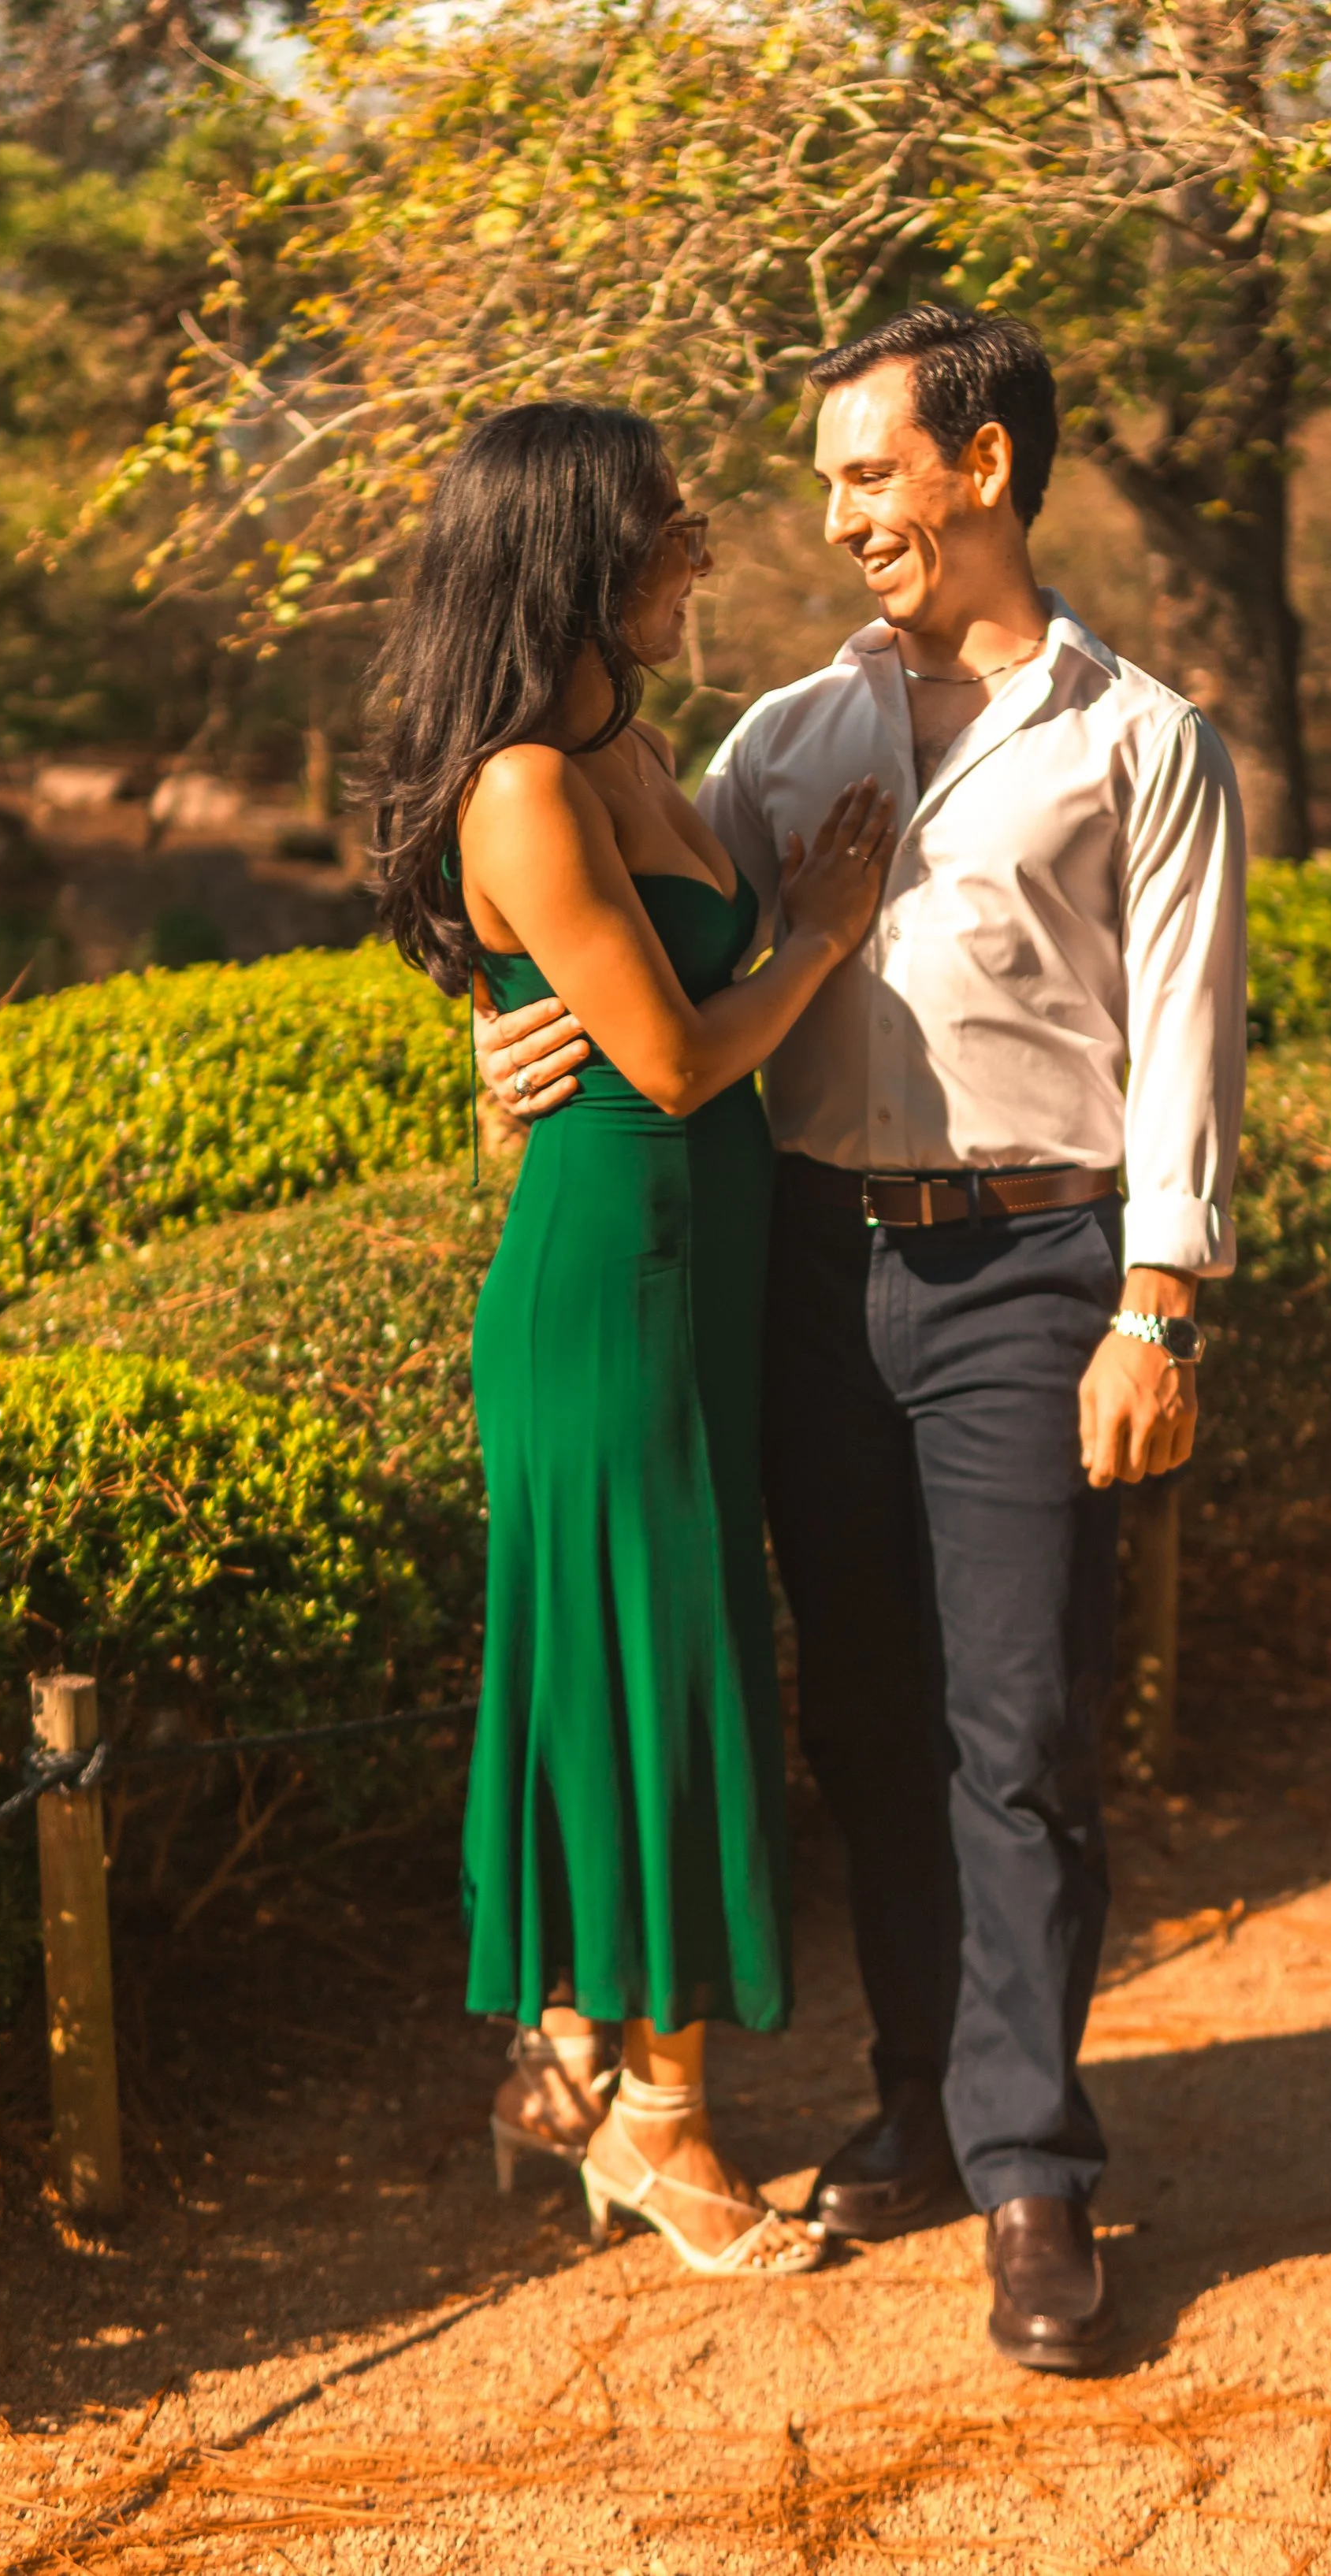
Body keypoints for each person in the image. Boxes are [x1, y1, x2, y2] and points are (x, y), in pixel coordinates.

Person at [478, 308, 1247, 2369]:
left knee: (1016, 1730)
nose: (834, 520)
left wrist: (1152, 1304)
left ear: (980, 467)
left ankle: (1030, 2169)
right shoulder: (780, 739)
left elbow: (1182, 1049)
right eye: (825, 481)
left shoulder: (1138, 735)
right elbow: (655, 973)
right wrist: (504, 1053)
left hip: (1032, 1273)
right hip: (809, 1276)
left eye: (865, 475)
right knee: (870, 1725)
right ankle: (918, 2097)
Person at [369, 398, 894, 2279]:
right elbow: (669, 1061)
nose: (699, 549)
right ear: (581, 556)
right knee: (662, 1668)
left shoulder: (645, 750)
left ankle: (569, 2060)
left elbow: (610, 1011)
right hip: (611, 1280)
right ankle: (660, 2130)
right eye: (668, 525)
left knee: (634, 1659)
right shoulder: (520, 783)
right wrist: (819, 933)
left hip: (697, 1266)